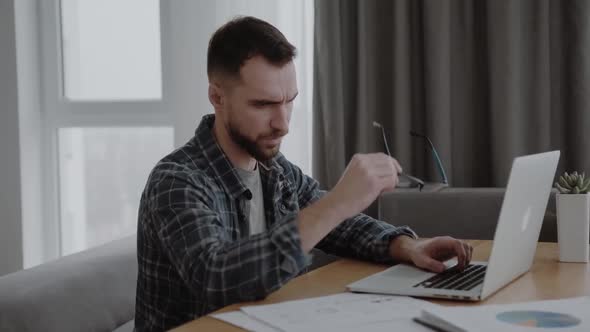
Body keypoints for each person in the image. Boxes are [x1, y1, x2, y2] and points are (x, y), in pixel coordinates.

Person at [134, 16, 472, 331]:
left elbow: (343, 228)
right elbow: (218, 279)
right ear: (216, 97)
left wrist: (408, 246)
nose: (283, 123)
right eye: (263, 105)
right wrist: (338, 202)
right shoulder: (177, 181)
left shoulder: (276, 171)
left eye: (289, 101)